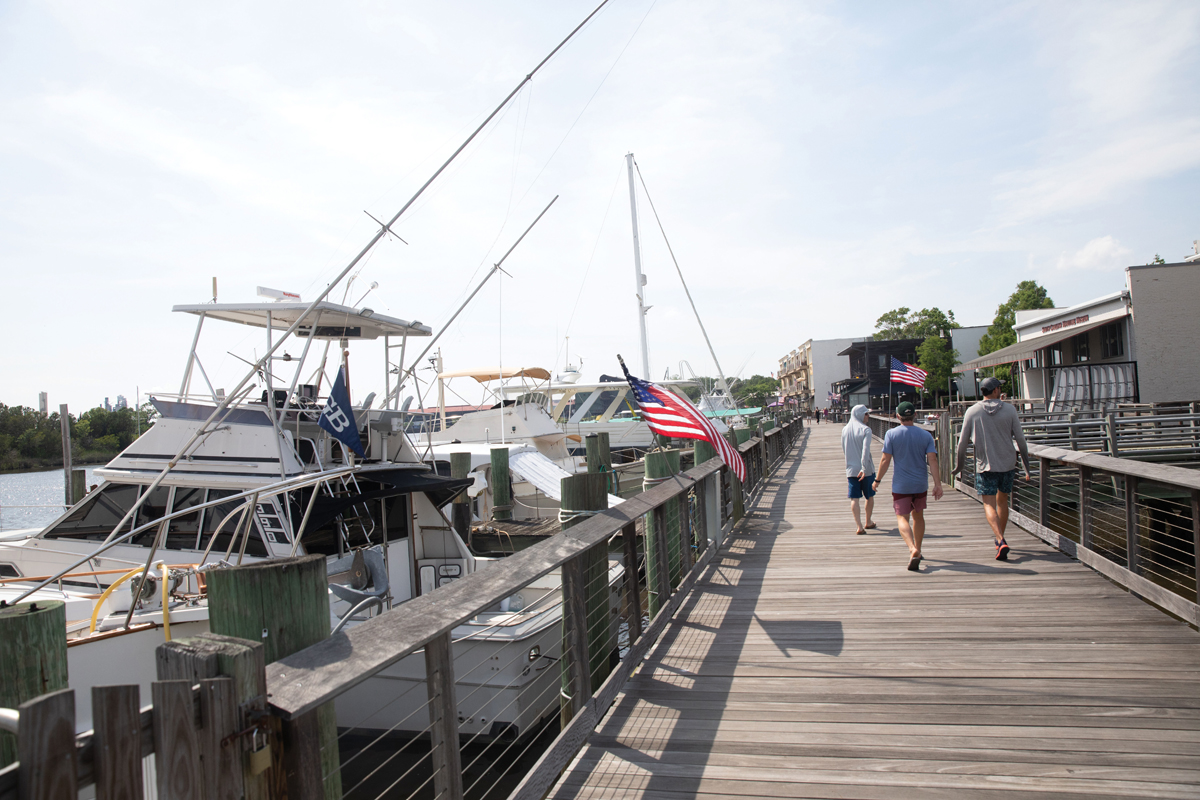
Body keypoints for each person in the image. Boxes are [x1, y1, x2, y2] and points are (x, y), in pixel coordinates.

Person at [954, 376, 1031, 561]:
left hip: (985, 465)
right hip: (1008, 464)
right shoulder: (1010, 410)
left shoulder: (972, 412)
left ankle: (1000, 539)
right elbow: (1021, 440)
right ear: (995, 390)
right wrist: (1027, 467)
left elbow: (962, 443)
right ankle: (1000, 540)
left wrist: (959, 466)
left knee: (988, 503)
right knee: (1002, 501)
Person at [873, 401, 943, 571]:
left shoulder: (891, 434)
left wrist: (877, 480)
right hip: (920, 483)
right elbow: (932, 460)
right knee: (918, 517)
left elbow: (885, 459)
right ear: (915, 415)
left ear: (898, 416)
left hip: (901, 484)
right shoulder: (925, 435)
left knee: (902, 518)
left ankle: (912, 549)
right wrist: (937, 484)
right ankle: (918, 548)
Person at [841, 405, 877, 535]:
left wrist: (849, 467)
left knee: (854, 498)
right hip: (866, 470)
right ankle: (868, 521)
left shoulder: (845, 430)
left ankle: (859, 526)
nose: (868, 416)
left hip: (851, 470)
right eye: (866, 414)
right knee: (869, 496)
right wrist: (863, 467)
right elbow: (865, 451)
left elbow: (844, 449)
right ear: (861, 415)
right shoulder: (866, 430)